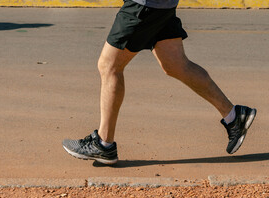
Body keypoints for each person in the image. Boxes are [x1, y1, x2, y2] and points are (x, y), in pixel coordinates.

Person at [62, 0, 257, 165]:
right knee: (176, 64)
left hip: (145, 5)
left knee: (109, 66)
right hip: (161, 4)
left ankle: (104, 144)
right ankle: (234, 116)